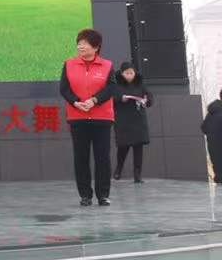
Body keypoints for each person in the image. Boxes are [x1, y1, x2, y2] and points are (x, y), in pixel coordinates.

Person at [60, 28, 118, 206]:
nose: (80, 46)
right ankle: (85, 195)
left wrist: (94, 100)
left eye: (84, 43)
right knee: (81, 157)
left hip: (102, 118)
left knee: (102, 157)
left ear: (96, 46)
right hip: (78, 117)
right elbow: (64, 88)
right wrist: (76, 102)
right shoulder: (69, 64)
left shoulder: (107, 65)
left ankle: (103, 195)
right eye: (79, 43)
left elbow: (111, 88)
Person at [112, 63, 154, 184]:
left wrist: (146, 100)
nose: (129, 75)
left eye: (131, 73)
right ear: (122, 73)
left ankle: (137, 175)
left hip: (138, 120)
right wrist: (121, 98)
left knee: (138, 148)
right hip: (123, 120)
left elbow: (150, 97)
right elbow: (111, 98)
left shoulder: (140, 84)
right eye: (127, 73)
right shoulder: (116, 84)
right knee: (123, 147)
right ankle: (119, 168)